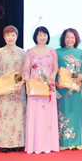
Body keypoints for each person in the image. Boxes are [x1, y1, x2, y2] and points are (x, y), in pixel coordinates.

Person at [24, 26, 60, 154]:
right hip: (35, 87)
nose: (42, 37)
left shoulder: (52, 51)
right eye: (40, 35)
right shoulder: (30, 52)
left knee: (48, 115)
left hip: (48, 87)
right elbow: (26, 71)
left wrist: (53, 75)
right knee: (36, 115)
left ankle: (49, 144)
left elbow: (56, 68)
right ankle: (35, 145)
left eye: (44, 35)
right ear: (35, 37)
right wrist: (28, 85)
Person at [0, 25, 26, 153]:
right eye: (8, 35)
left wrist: (22, 83)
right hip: (3, 88)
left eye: (13, 35)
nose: (10, 38)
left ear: (17, 36)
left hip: (17, 88)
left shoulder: (22, 52)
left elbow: (24, 70)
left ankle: (17, 143)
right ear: (4, 37)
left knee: (18, 115)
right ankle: (3, 143)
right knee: (3, 115)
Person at [55, 28, 82, 150]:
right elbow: (54, 69)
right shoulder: (57, 52)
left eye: (72, 37)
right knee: (63, 112)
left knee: (75, 113)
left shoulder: (80, 52)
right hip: (62, 88)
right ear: (63, 39)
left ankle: (75, 142)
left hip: (75, 89)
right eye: (67, 37)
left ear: (76, 39)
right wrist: (56, 82)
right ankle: (62, 142)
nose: (70, 39)